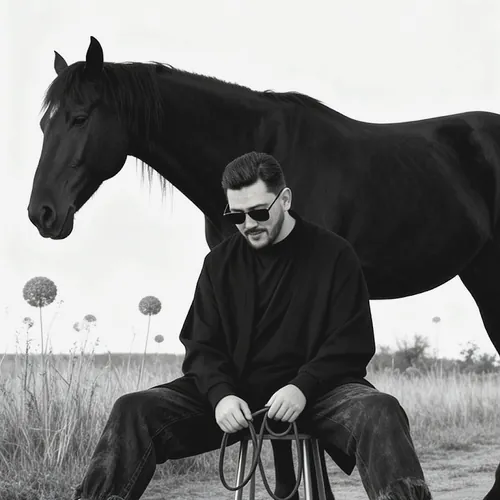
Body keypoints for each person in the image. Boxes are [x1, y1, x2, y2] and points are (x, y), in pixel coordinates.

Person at [73, 152, 432, 500]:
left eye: (259, 212)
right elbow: (201, 345)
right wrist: (220, 395)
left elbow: (351, 343)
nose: (248, 224)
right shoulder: (219, 264)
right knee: (132, 409)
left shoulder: (335, 255)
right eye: (237, 215)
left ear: (285, 199)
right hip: (236, 398)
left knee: (380, 410)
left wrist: (302, 386)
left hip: (318, 395)